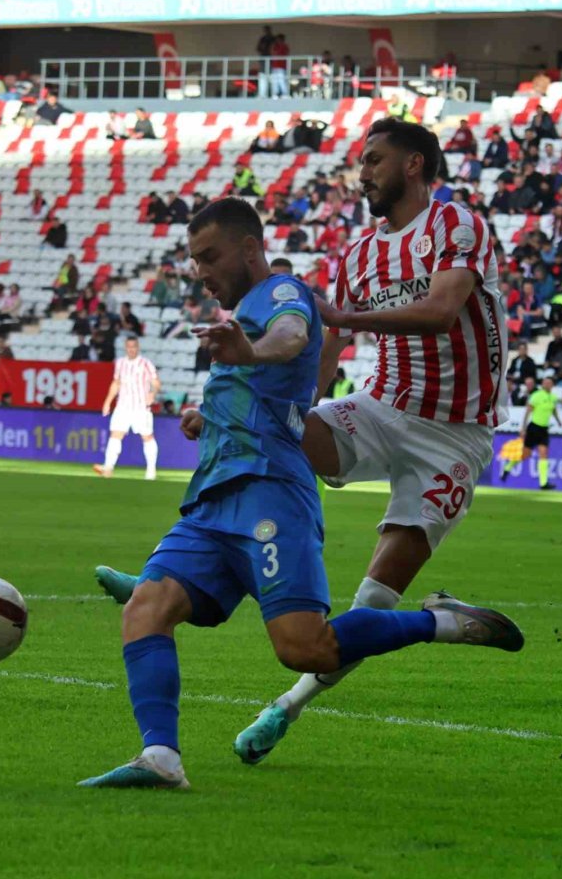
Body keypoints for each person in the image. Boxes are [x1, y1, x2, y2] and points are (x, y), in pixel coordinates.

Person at [93, 121, 515, 766]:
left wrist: (340, 316)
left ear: (414, 164)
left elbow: (437, 311)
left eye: (375, 159)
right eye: (360, 160)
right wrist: (253, 407)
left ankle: (286, 705)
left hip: (454, 436)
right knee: (276, 431)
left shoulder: (456, 225)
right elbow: (327, 351)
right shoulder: (358, 255)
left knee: (373, 601)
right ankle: (177, 569)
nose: (363, 170)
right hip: (380, 407)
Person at [92, 336, 161, 481]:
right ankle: (108, 468)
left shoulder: (145, 363)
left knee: (147, 436)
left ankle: (151, 470)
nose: (131, 349)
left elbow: (156, 382)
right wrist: (107, 401)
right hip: (123, 405)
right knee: (115, 435)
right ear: (125, 347)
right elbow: (116, 383)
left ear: (138, 347)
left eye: (134, 346)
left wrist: (152, 394)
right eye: (129, 347)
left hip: (141, 406)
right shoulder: (120, 363)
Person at [501, 377, 562, 489]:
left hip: (544, 429)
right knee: (526, 454)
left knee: (543, 453)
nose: (547, 385)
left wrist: (558, 421)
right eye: (545, 382)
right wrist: (523, 428)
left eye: (549, 383)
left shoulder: (553, 398)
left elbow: (553, 410)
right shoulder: (537, 395)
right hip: (534, 427)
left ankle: (543, 483)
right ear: (543, 384)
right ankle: (507, 468)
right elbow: (528, 411)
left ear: (552, 385)